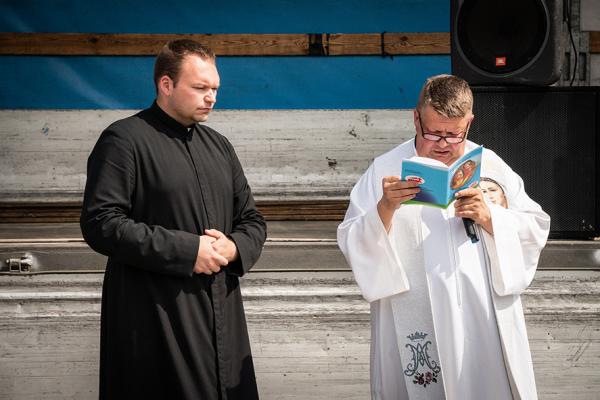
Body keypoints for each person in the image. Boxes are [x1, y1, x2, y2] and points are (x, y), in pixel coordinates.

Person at [337, 74, 550, 400]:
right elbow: (351, 238)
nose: (443, 144)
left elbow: (535, 226)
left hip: (482, 319)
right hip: (416, 318)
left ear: (470, 123)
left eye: (454, 135)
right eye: (433, 133)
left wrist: (490, 217)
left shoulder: (490, 164)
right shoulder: (385, 169)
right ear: (416, 118)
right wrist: (385, 208)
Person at [80, 39, 266, 400]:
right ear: (166, 84)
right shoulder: (124, 140)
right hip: (156, 319)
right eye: (200, 87)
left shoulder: (220, 146)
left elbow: (252, 220)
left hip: (223, 317)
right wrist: (188, 250)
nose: (211, 97)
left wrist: (233, 247)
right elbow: (100, 222)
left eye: (215, 89)